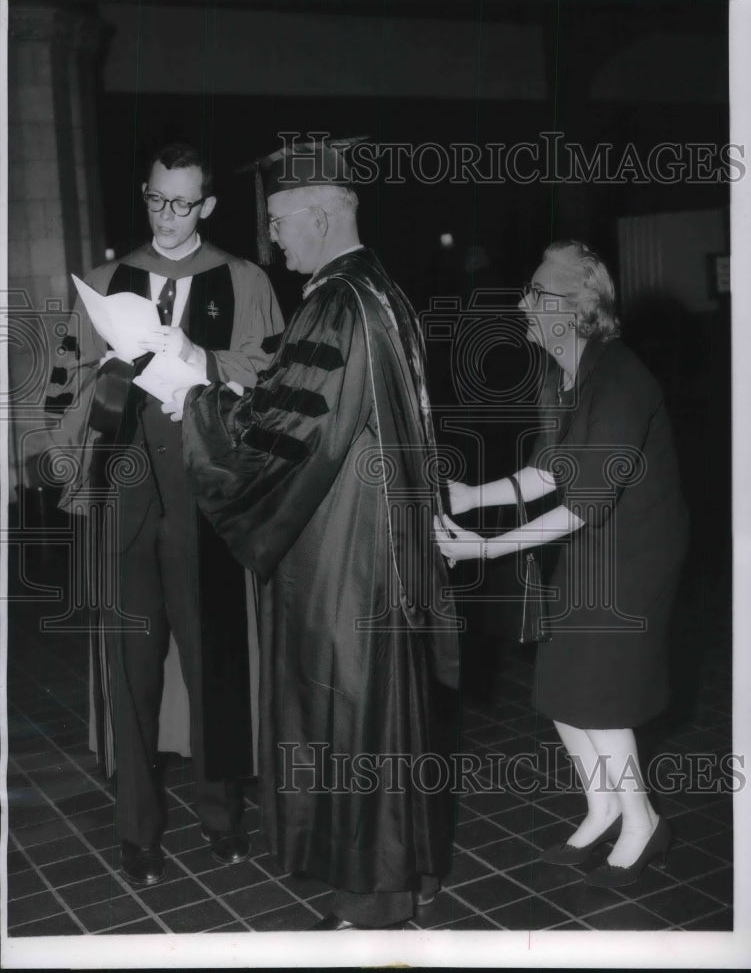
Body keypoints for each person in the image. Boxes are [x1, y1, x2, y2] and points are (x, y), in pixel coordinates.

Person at [180, 136, 460, 929]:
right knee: (386, 710)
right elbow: (304, 395)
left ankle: (370, 900)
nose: (272, 239)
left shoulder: (337, 300)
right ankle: (407, 876)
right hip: (384, 537)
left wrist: (199, 403)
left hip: (345, 545)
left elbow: (289, 433)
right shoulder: (381, 290)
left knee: (351, 710)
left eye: (279, 220)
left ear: (324, 212)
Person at [43, 141, 284, 887]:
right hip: (124, 490)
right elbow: (60, 384)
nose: (169, 215)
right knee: (130, 664)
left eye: (184, 202)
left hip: (203, 493)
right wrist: (93, 394)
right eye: (156, 200)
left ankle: (220, 814)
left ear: (207, 205)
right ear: (144, 196)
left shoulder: (243, 281)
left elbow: (273, 378)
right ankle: (137, 829)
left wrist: (198, 359)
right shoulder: (104, 281)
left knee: (211, 658)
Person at [435, 240, 688, 888]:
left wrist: (485, 546)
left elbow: (583, 503)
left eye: (537, 294)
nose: (522, 303)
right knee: (559, 690)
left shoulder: (621, 378)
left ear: (578, 308)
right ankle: (601, 807)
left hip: (631, 552)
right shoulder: (565, 372)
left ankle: (641, 820)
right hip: (591, 541)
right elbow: (550, 468)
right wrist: (473, 496)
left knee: (599, 695)